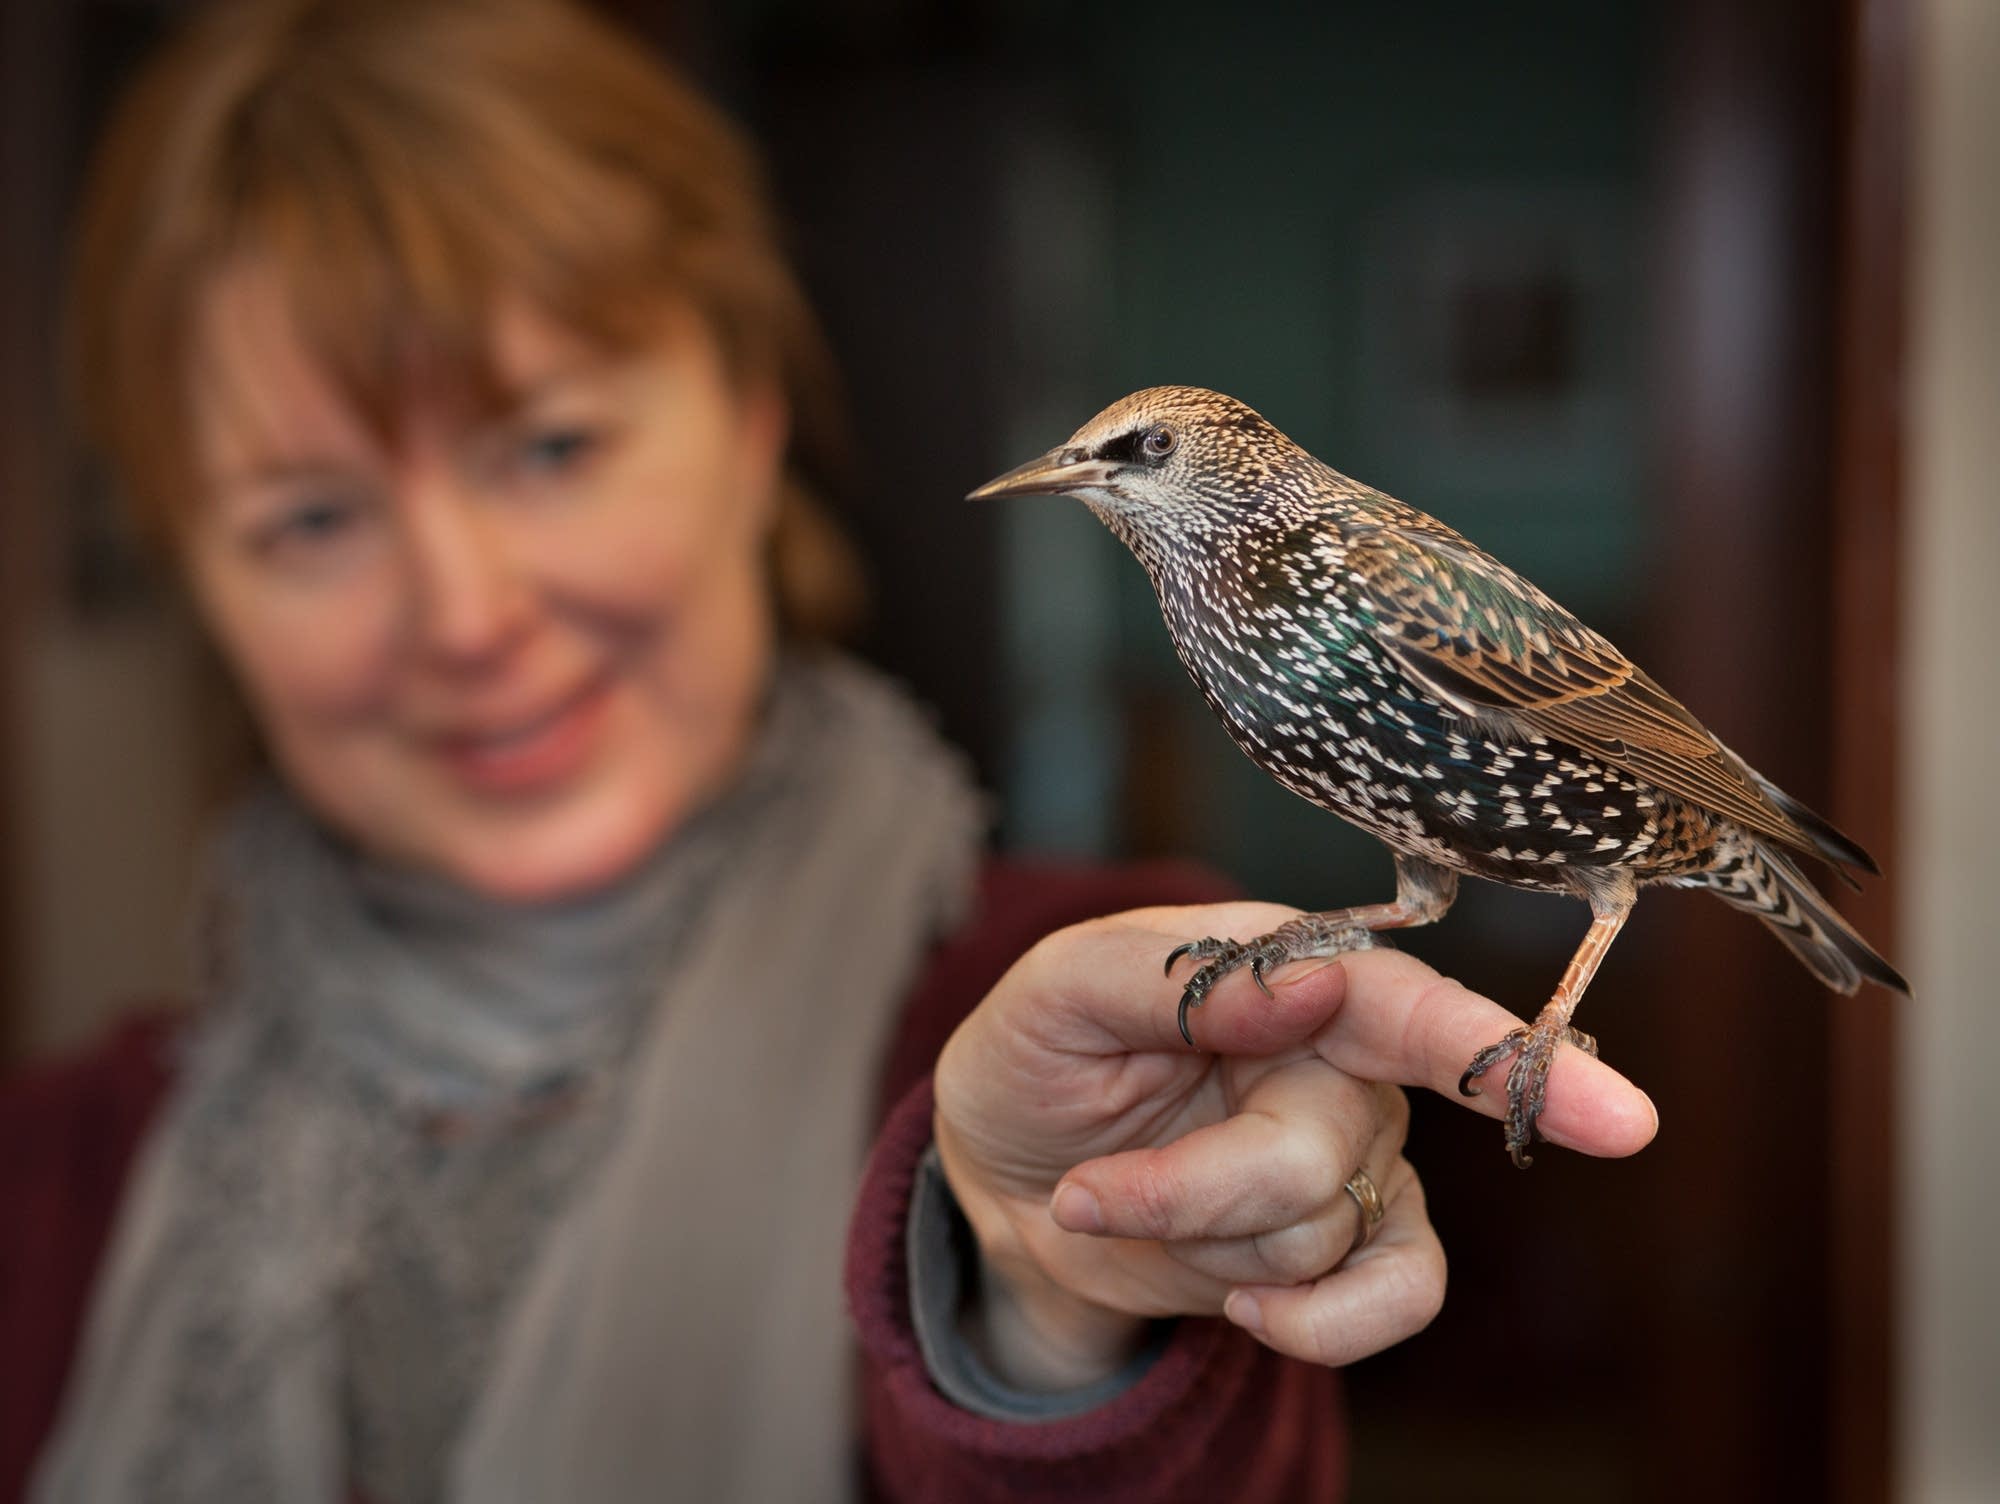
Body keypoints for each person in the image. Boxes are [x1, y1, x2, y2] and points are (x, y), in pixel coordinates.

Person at [0, 1, 1658, 1500]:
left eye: (550, 445)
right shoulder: (46, 1176)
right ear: (194, 577)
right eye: (310, 517)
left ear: (751, 425)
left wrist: (1044, 1322)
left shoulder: (1126, 1006)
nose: (467, 615)